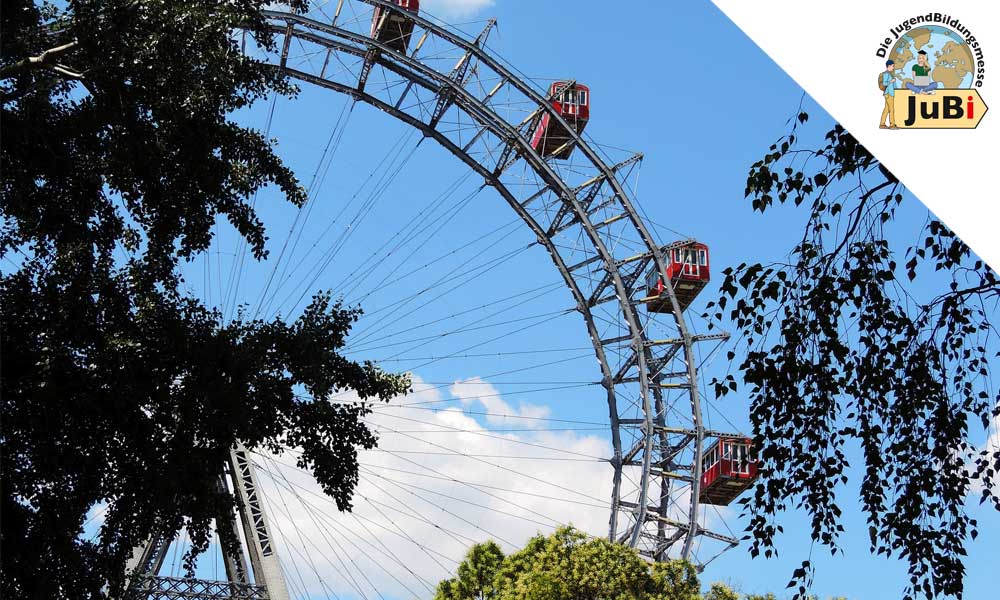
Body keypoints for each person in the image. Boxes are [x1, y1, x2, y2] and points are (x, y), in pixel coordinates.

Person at [880, 60, 898, 129]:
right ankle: (892, 124)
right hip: (889, 94)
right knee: (891, 109)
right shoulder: (886, 74)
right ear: (889, 66)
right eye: (893, 66)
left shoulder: (889, 74)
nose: (893, 68)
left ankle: (882, 124)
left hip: (890, 93)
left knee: (886, 109)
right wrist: (891, 81)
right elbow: (884, 83)